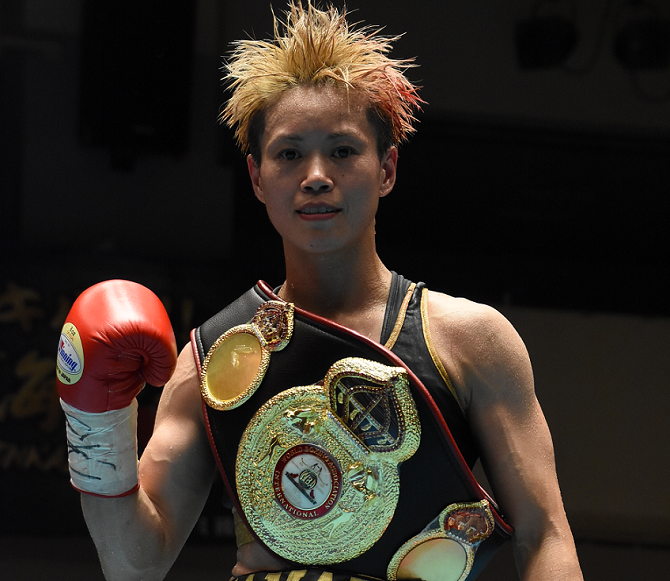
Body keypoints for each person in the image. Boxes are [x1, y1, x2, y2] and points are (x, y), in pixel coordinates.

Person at [56, 2, 583, 580]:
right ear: (257, 178)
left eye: (342, 151)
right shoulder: (213, 357)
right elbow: (134, 565)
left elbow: (544, 534)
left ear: (387, 169)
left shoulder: (470, 340)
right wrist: (98, 425)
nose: (315, 176)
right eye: (289, 154)